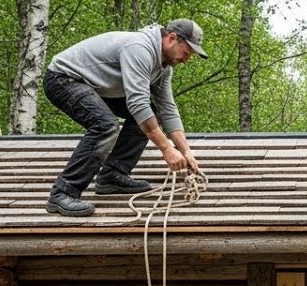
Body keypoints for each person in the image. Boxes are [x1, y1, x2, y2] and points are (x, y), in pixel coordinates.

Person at [42, 19, 207, 217]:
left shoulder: (163, 68)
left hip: (94, 86)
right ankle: (62, 193)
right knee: (106, 126)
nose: (186, 59)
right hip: (64, 79)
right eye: (186, 52)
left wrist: (186, 151)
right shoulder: (139, 49)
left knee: (152, 113)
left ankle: (112, 175)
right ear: (171, 39)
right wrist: (167, 149)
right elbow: (138, 105)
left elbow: (167, 109)